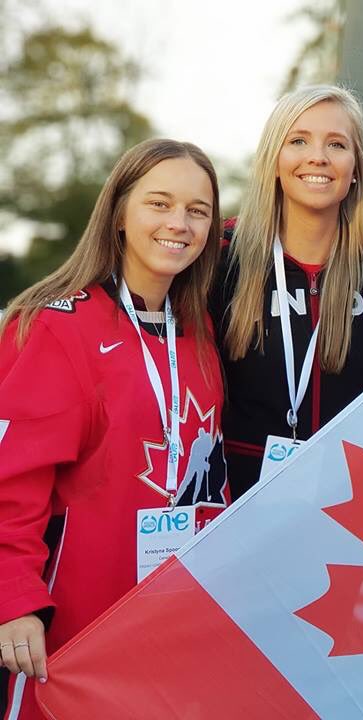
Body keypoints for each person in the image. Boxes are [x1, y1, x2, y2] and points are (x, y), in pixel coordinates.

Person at [0, 139, 226, 720]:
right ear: (120, 213)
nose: (178, 223)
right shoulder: (56, 326)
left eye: (197, 210)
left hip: (171, 621)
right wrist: (14, 599)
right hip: (72, 629)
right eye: (158, 203)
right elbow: (11, 483)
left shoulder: (198, 331)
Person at [212, 85, 363, 499]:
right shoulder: (219, 259)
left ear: (356, 166)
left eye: (337, 144)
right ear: (275, 159)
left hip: (349, 512)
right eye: (298, 141)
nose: (318, 157)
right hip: (234, 515)